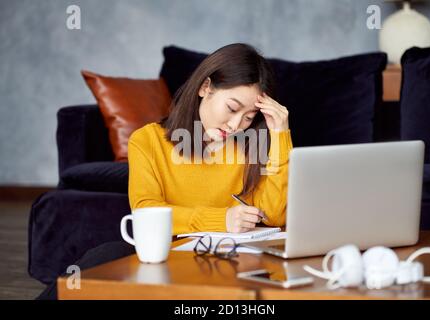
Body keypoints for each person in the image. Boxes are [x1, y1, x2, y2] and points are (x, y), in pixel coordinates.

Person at [37, 43, 292, 299]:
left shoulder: (250, 147)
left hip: (225, 259)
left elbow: (274, 216)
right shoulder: (147, 140)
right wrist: (222, 219)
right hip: (166, 255)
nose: (237, 124)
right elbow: (146, 210)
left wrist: (281, 134)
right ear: (206, 87)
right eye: (233, 108)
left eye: (249, 117)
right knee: (104, 256)